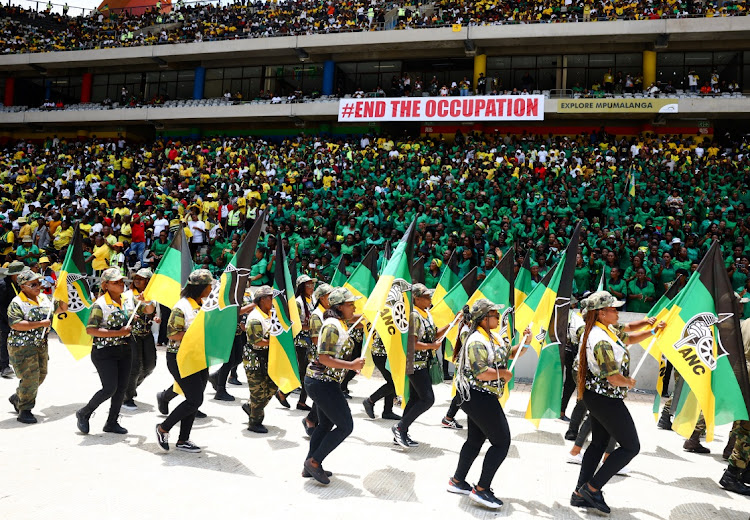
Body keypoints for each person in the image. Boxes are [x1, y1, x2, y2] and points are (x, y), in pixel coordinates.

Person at [571, 291, 666, 514]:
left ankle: (579, 493)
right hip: (605, 398)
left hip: (598, 396)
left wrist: (653, 331)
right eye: (614, 309)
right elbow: (613, 377)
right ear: (601, 313)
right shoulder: (600, 340)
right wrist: (628, 382)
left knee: (598, 444)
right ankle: (592, 489)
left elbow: (630, 337)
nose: (617, 312)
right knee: (631, 447)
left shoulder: (604, 330)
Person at [446, 299, 530, 509]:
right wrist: (504, 374)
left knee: (475, 441)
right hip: (477, 397)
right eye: (494, 314)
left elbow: (510, 353)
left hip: (481, 396)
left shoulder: (491, 337)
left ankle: (457, 481)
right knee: (501, 442)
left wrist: (526, 342)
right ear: (484, 319)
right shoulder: (476, 340)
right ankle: (481, 490)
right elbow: (482, 373)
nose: (498, 317)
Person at [303, 287, 365, 485]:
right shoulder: (331, 326)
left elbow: (356, 318)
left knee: (326, 424)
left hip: (325, 382)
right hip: (322, 382)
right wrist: (351, 365)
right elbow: (324, 358)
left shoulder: (340, 323)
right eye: (350, 304)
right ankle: (314, 462)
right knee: (345, 426)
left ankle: (308, 464)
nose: (353, 307)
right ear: (339, 307)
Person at [155, 269, 214, 453]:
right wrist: (197, 335)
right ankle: (163, 428)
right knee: (195, 400)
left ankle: (183, 440)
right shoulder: (181, 307)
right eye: (209, 285)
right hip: (180, 358)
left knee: (193, 399)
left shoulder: (203, 304)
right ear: (201, 288)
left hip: (198, 357)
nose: (211, 287)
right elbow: (172, 334)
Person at [392, 283, 452, 448]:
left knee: (416, 398)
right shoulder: (414, 316)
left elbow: (433, 334)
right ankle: (400, 427)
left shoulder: (425, 313)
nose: (429, 298)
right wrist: (431, 347)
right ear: (416, 298)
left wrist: (453, 323)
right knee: (427, 399)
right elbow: (412, 343)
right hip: (414, 362)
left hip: (422, 362)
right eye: (426, 296)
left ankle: (401, 432)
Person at [76, 268, 134, 435]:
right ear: (106, 285)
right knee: (110, 388)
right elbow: (91, 330)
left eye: (122, 281)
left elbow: (145, 311)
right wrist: (119, 332)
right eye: (116, 282)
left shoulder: (127, 300)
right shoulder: (100, 304)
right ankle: (84, 412)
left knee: (122, 388)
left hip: (124, 349)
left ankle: (112, 422)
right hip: (104, 352)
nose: (121, 284)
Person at [7, 270, 67, 423]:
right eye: (33, 284)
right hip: (22, 346)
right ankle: (25, 410)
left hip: (40, 344)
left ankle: (19, 397)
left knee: (41, 375)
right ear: (23, 287)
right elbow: (15, 324)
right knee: (30, 377)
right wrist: (40, 323)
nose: (38, 286)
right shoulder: (17, 302)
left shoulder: (44, 299)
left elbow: (62, 308)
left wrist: (63, 291)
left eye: (39, 283)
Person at [276, 275, 316, 410]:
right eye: (308, 285)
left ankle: (286, 393)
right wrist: (312, 326)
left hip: (311, 340)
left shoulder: (312, 299)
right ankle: (294, 397)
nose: (312, 287)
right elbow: (295, 325)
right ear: (302, 287)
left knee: (304, 372)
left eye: (312, 285)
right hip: (301, 342)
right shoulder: (298, 303)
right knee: (304, 372)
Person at [242, 285, 277, 433]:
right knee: (258, 392)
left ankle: (251, 407)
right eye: (270, 297)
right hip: (255, 359)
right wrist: (275, 343)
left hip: (267, 357)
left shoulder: (270, 314)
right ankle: (254, 422)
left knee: (272, 386)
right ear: (262, 300)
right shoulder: (255, 318)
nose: (273, 300)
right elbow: (256, 341)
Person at [122, 268, 158, 410]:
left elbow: (150, 310)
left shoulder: (152, 296)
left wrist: (148, 303)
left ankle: (127, 388)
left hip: (147, 334)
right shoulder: (128, 295)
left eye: (141, 278)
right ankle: (127, 397)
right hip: (133, 336)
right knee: (134, 367)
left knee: (150, 366)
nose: (137, 280)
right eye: (135, 277)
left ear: (148, 282)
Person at [303, 282, 334, 435]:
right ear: (322, 298)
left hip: (330, 356)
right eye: (329, 296)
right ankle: (311, 419)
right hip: (321, 358)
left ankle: (315, 419)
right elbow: (316, 340)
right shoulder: (317, 315)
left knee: (327, 391)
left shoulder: (330, 312)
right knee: (324, 391)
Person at [0, 261, 27, 379]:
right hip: (3, 319)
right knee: (3, 341)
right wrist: (9, 319)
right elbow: (0, 305)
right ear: (14, 274)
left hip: (13, 318)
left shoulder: (16, 284)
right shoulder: (3, 285)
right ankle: (4, 366)